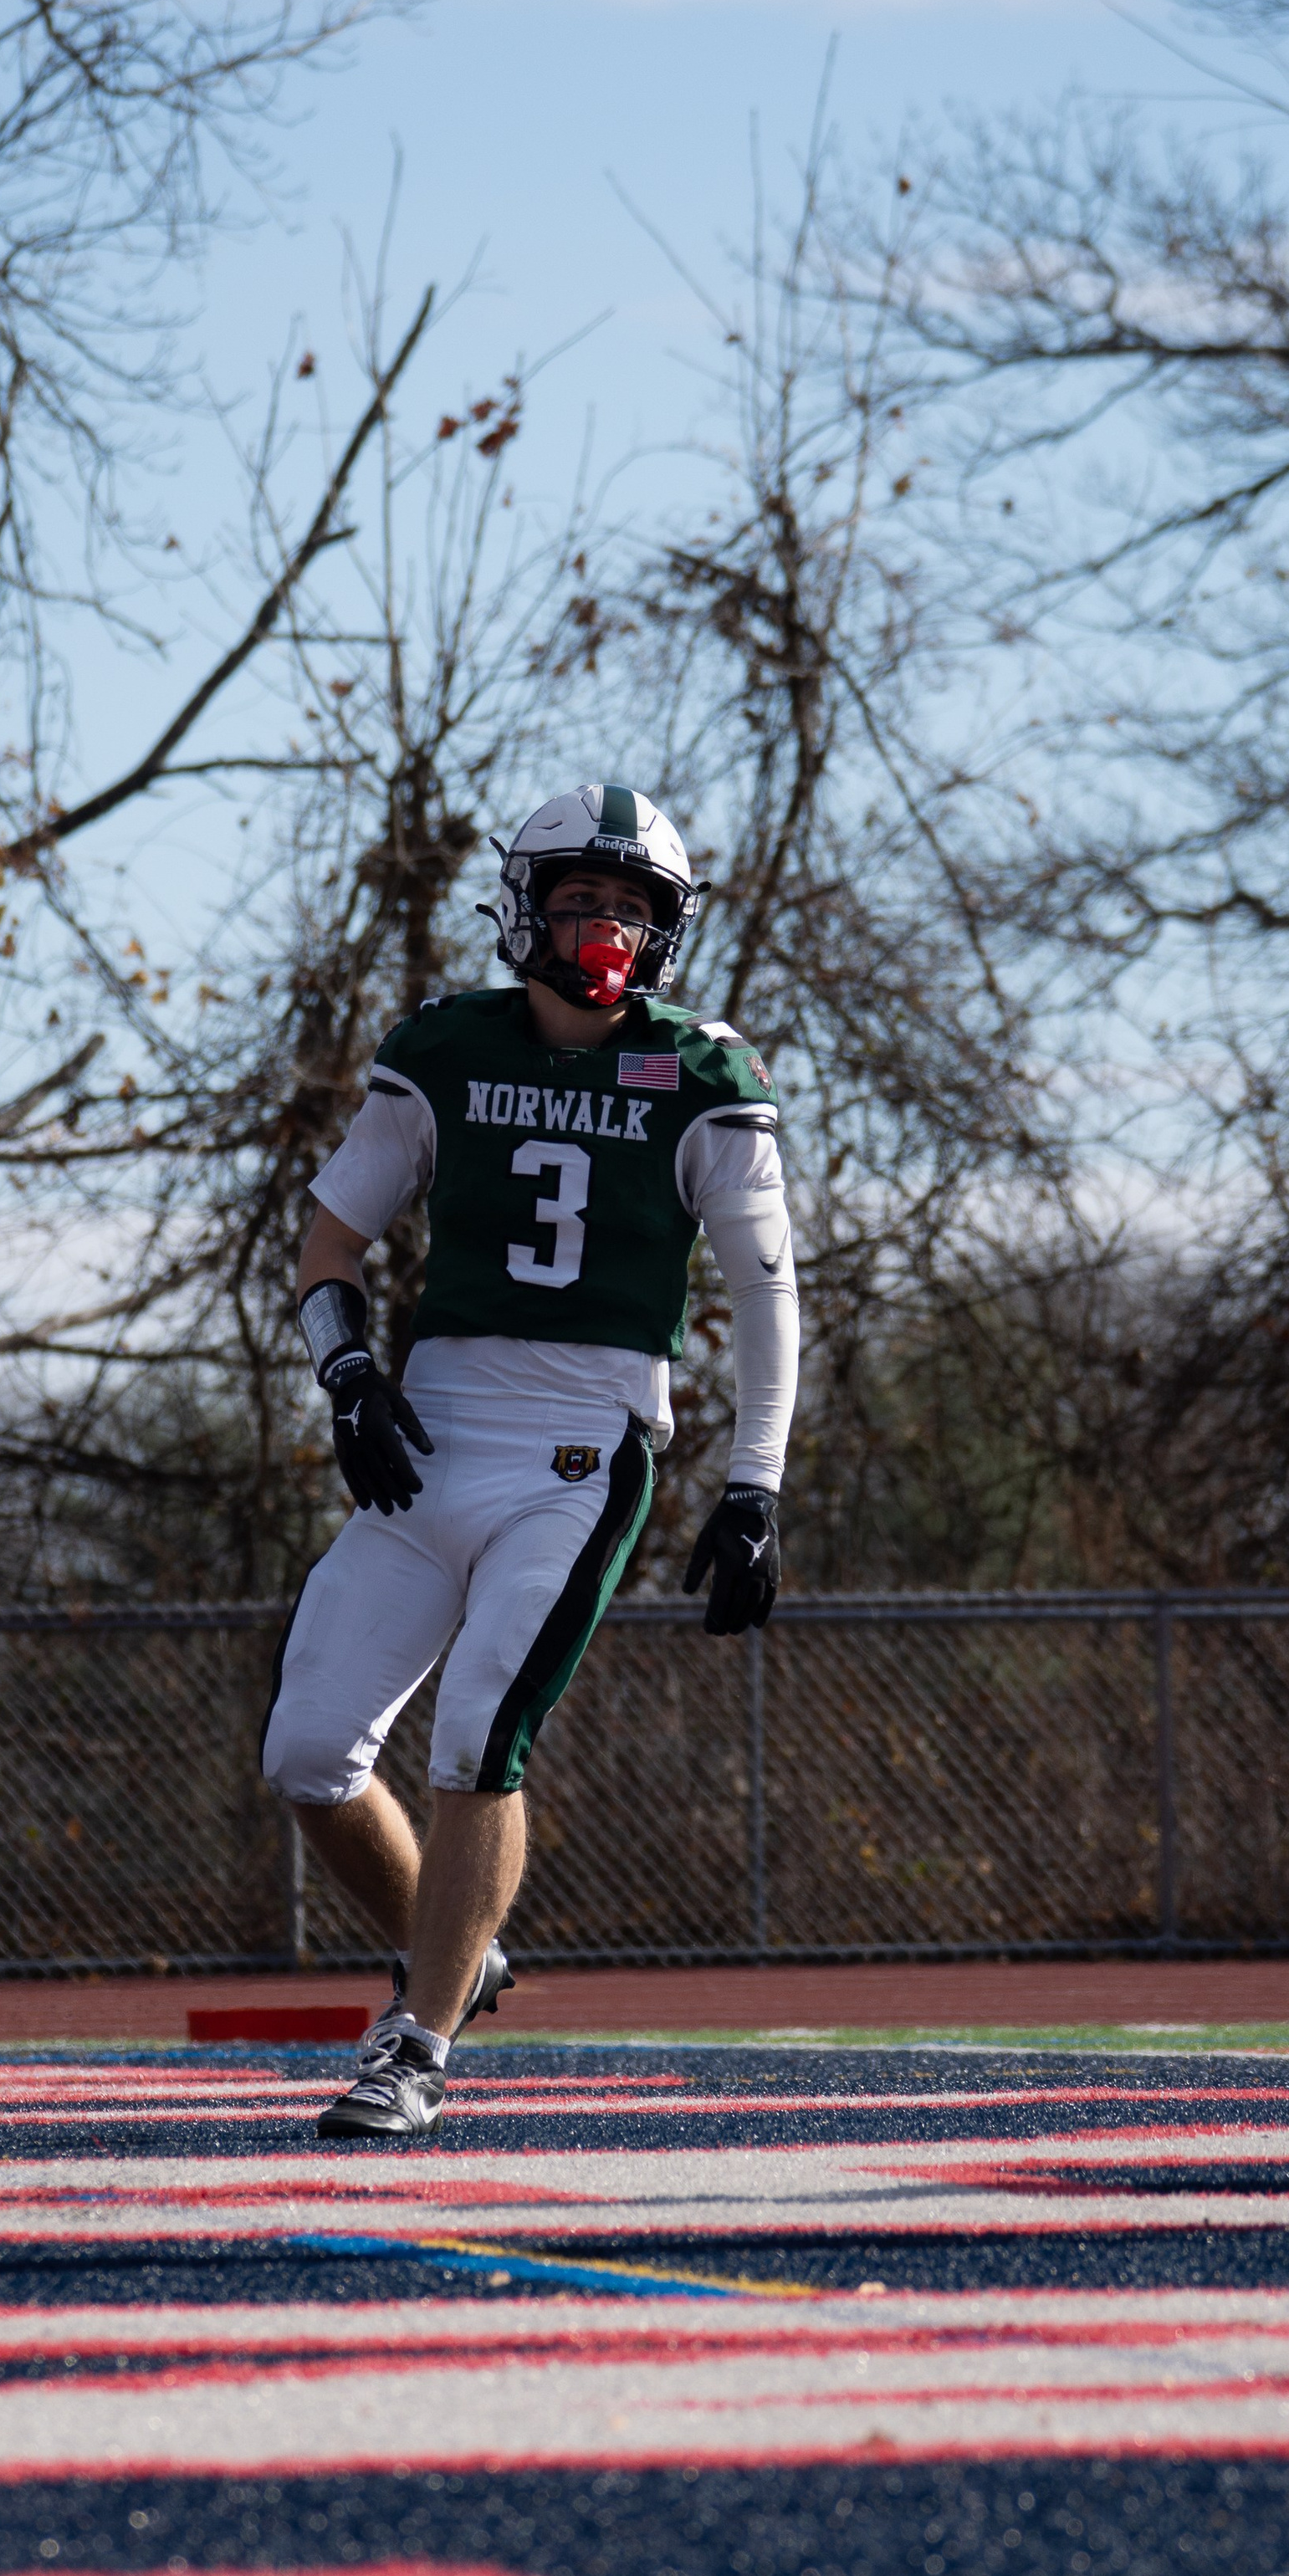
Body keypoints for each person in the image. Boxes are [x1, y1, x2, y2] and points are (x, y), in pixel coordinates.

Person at [261, 782, 798, 2139]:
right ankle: (463, 1946)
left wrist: (754, 1484)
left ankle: (416, 2045)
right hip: (433, 1431)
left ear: (667, 931)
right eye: (583, 896)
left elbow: (772, 1296)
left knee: (477, 1729)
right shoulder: (443, 1048)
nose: (607, 925)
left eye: (634, 906)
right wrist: (348, 1374)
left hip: (582, 1443)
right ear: (526, 904)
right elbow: (330, 1244)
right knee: (311, 1751)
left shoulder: (706, 1072)